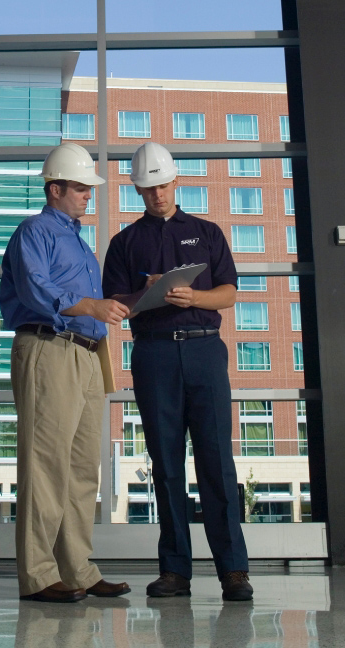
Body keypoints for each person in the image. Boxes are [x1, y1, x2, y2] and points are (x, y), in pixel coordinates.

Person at [102, 142, 253, 601]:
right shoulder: (125, 243)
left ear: (175, 181)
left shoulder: (207, 233)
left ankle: (233, 570)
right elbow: (115, 306)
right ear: (138, 189)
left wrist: (195, 298)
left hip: (205, 352)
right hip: (154, 356)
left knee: (215, 461)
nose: (158, 195)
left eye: (164, 185)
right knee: (165, 464)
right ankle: (174, 572)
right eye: (149, 189)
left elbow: (228, 292)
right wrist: (144, 293)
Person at [0, 142, 131, 603]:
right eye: (79, 188)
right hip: (48, 350)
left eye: (88, 189)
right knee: (46, 467)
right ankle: (37, 575)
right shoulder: (34, 231)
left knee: (80, 471)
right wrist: (90, 306)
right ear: (54, 189)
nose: (87, 195)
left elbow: (91, 302)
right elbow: (39, 289)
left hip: (87, 354)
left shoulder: (76, 237)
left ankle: (77, 569)